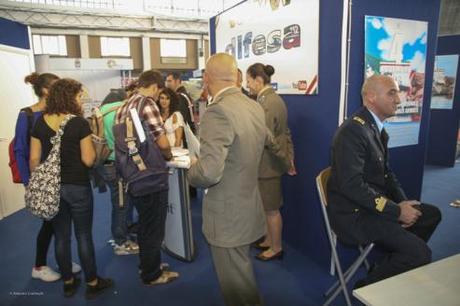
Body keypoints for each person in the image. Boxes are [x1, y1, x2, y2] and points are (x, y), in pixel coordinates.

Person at [327, 74, 442, 288]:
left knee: (430, 215)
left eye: (397, 92)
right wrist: (396, 211)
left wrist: (404, 204)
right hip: (354, 216)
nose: (398, 99)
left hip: (371, 207)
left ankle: (390, 266)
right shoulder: (353, 131)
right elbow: (351, 186)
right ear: (371, 97)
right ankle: (368, 287)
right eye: (392, 93)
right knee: (421, 254)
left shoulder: (375, 128)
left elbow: (386, 174)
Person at [188, 53, 267, 306]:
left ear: (207, 78)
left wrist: (191, 169)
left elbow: (210, 172)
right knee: (242, 275)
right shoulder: (253, 105)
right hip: (248, 205)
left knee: (238, 290)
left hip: (227, 215)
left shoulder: (217, 111)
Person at [30, 78, 113, 298]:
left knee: (61, 236)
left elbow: (33, 160)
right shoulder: (78, 123)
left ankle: (68, 281)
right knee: (84, 235)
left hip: (54, 189)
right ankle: (93, 282)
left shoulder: (39, 123)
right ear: (69, 97)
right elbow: (88, 160)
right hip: (78, 186)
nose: (81, 100)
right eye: (78, 96)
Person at [14, 72, 81, 282]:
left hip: (64, 179)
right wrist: (30, 182)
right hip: (43, 181)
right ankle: (39, 265)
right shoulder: (27, 115)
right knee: (49, 224)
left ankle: (63, 260)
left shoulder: (62, 114)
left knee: (61, 223)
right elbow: (20, 150)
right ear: (45, 90)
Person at [115, 69, 179, 285]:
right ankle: (152, 275)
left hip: (132, 174)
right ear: (154, 87)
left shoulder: (123, 106)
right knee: (154, 226)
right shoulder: (147, 104)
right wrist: (169, 154)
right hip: (151, 175)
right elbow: (161, 142)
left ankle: (148, 264)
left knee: (145, 224)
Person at [246, 63, 296, 261]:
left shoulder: (267, 103)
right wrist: (288, 157)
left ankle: (276, 248)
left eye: (249, 81)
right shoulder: (271, 99)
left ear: (259, 81)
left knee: (271, 209)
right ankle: (269, 240)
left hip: (268, 165)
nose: (247, 85)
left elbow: (267, 139)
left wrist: (285, 159)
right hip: (270, 163)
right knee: (267, 207)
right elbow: (285, 133)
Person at [99, 89, 139, 255]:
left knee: (119, 202)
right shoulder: (125, 110)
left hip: (104, 163)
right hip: (120, 163)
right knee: (122, 203)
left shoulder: (101, 112)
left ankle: (120, 234)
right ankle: (121, 241)